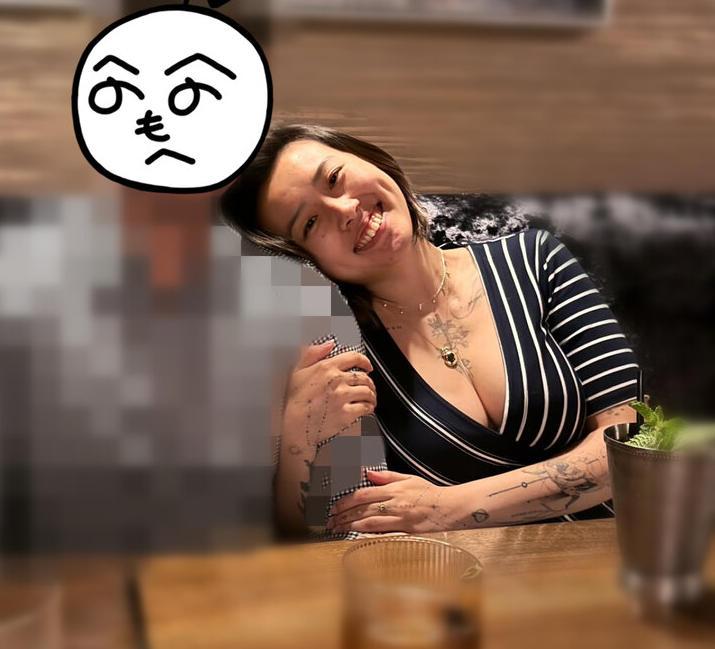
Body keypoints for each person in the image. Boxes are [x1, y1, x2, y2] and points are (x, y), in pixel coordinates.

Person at [220, 123, 641, 540]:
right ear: (300, 257)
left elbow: (632, 443)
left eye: (334, 178)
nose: (345, 210)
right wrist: (298, 431)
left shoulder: (533, 261)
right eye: (311, 223)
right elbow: (307, 534)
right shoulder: (340, 347)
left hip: (618, 552)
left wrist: (447, 508)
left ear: (369, 159)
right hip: (467, 578)